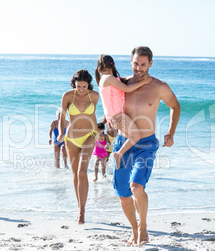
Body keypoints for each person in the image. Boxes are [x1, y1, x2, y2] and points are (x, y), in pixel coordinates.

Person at [113, 46, 180, 245]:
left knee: (136, 186)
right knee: (124, 195)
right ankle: (134, 230)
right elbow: (111, 109)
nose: (138, 68)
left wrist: (171, 132)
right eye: (135, 63)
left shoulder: (160, 87)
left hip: (146, 145)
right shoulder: (122, 84)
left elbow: (175, 106)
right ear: (130, 62)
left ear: (150, 63)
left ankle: (143, 227)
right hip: (122, 143)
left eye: (143, 64)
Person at [95, 54, 152, 170]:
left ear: (99, 69)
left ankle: (125, 160)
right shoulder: (108, 78)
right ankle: (119, 154)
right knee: (136, 135)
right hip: (118, 116)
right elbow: (126, 89)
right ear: (114, 65)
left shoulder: (104, 79)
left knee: (130, 137)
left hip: (114, 116)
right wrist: (143, 82)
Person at [57, 70, 99, 224]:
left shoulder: (94, 96)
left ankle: (82, 211)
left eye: (84, 86)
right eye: (78, 86)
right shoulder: (68, 96)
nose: (81, 89)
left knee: (82, 172)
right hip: (71, 138)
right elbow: (62, 115)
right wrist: (61, 133)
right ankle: (80, 207)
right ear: (74, 84)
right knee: (75, 174)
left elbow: (92, 114)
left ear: (89, 85)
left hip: (89, 135)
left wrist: (98, 132)